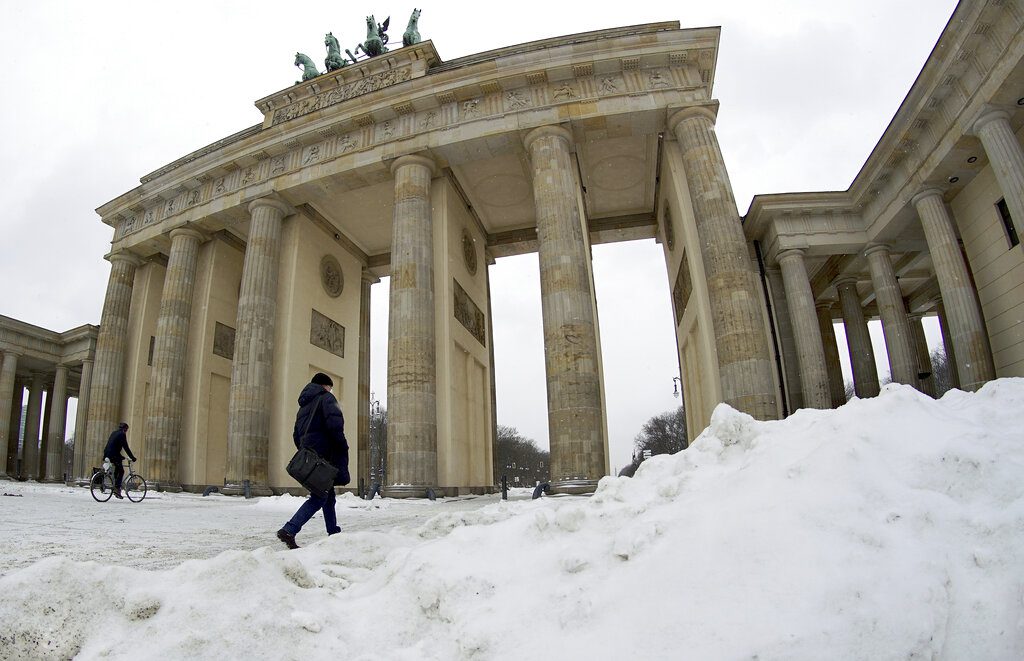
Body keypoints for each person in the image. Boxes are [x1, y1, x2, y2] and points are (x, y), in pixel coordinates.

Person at [277, 372, 350, 549]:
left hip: (312, 456)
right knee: (319, 497)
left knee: (328, 495)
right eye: (330, 387)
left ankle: (333, 531)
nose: (331, 390)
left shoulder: (303, 406)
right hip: (326, 455)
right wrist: (342, 446)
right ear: (325, 386)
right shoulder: (326, 398)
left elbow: (296, 434)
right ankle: (290, 529)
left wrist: (307, 449)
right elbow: (335, 426)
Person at [103, 422, 137, 499]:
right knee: (121, 471)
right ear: (125, 429)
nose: (126, 431)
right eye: (127, 430)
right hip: (114, 455)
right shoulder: (122, 434)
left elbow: (113, 445)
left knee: (117, 469)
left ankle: (115, 485)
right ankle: (117, 489)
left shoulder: (114, 433)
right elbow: (126, 447)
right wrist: (132, 457)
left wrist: (121, 456)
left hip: (107, 453)